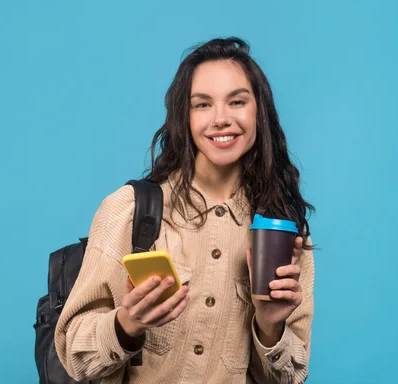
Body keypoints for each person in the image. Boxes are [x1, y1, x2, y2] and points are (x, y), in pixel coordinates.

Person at [54, 37, 315, 384]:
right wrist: (127, 324)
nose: (221, 119)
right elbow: (75, 357)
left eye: (237, 101)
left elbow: (289, 378)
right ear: (184, 116)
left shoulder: (285, 232)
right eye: (202, 105)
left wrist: (270, 326)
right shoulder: (129, 210)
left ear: (259, 111)